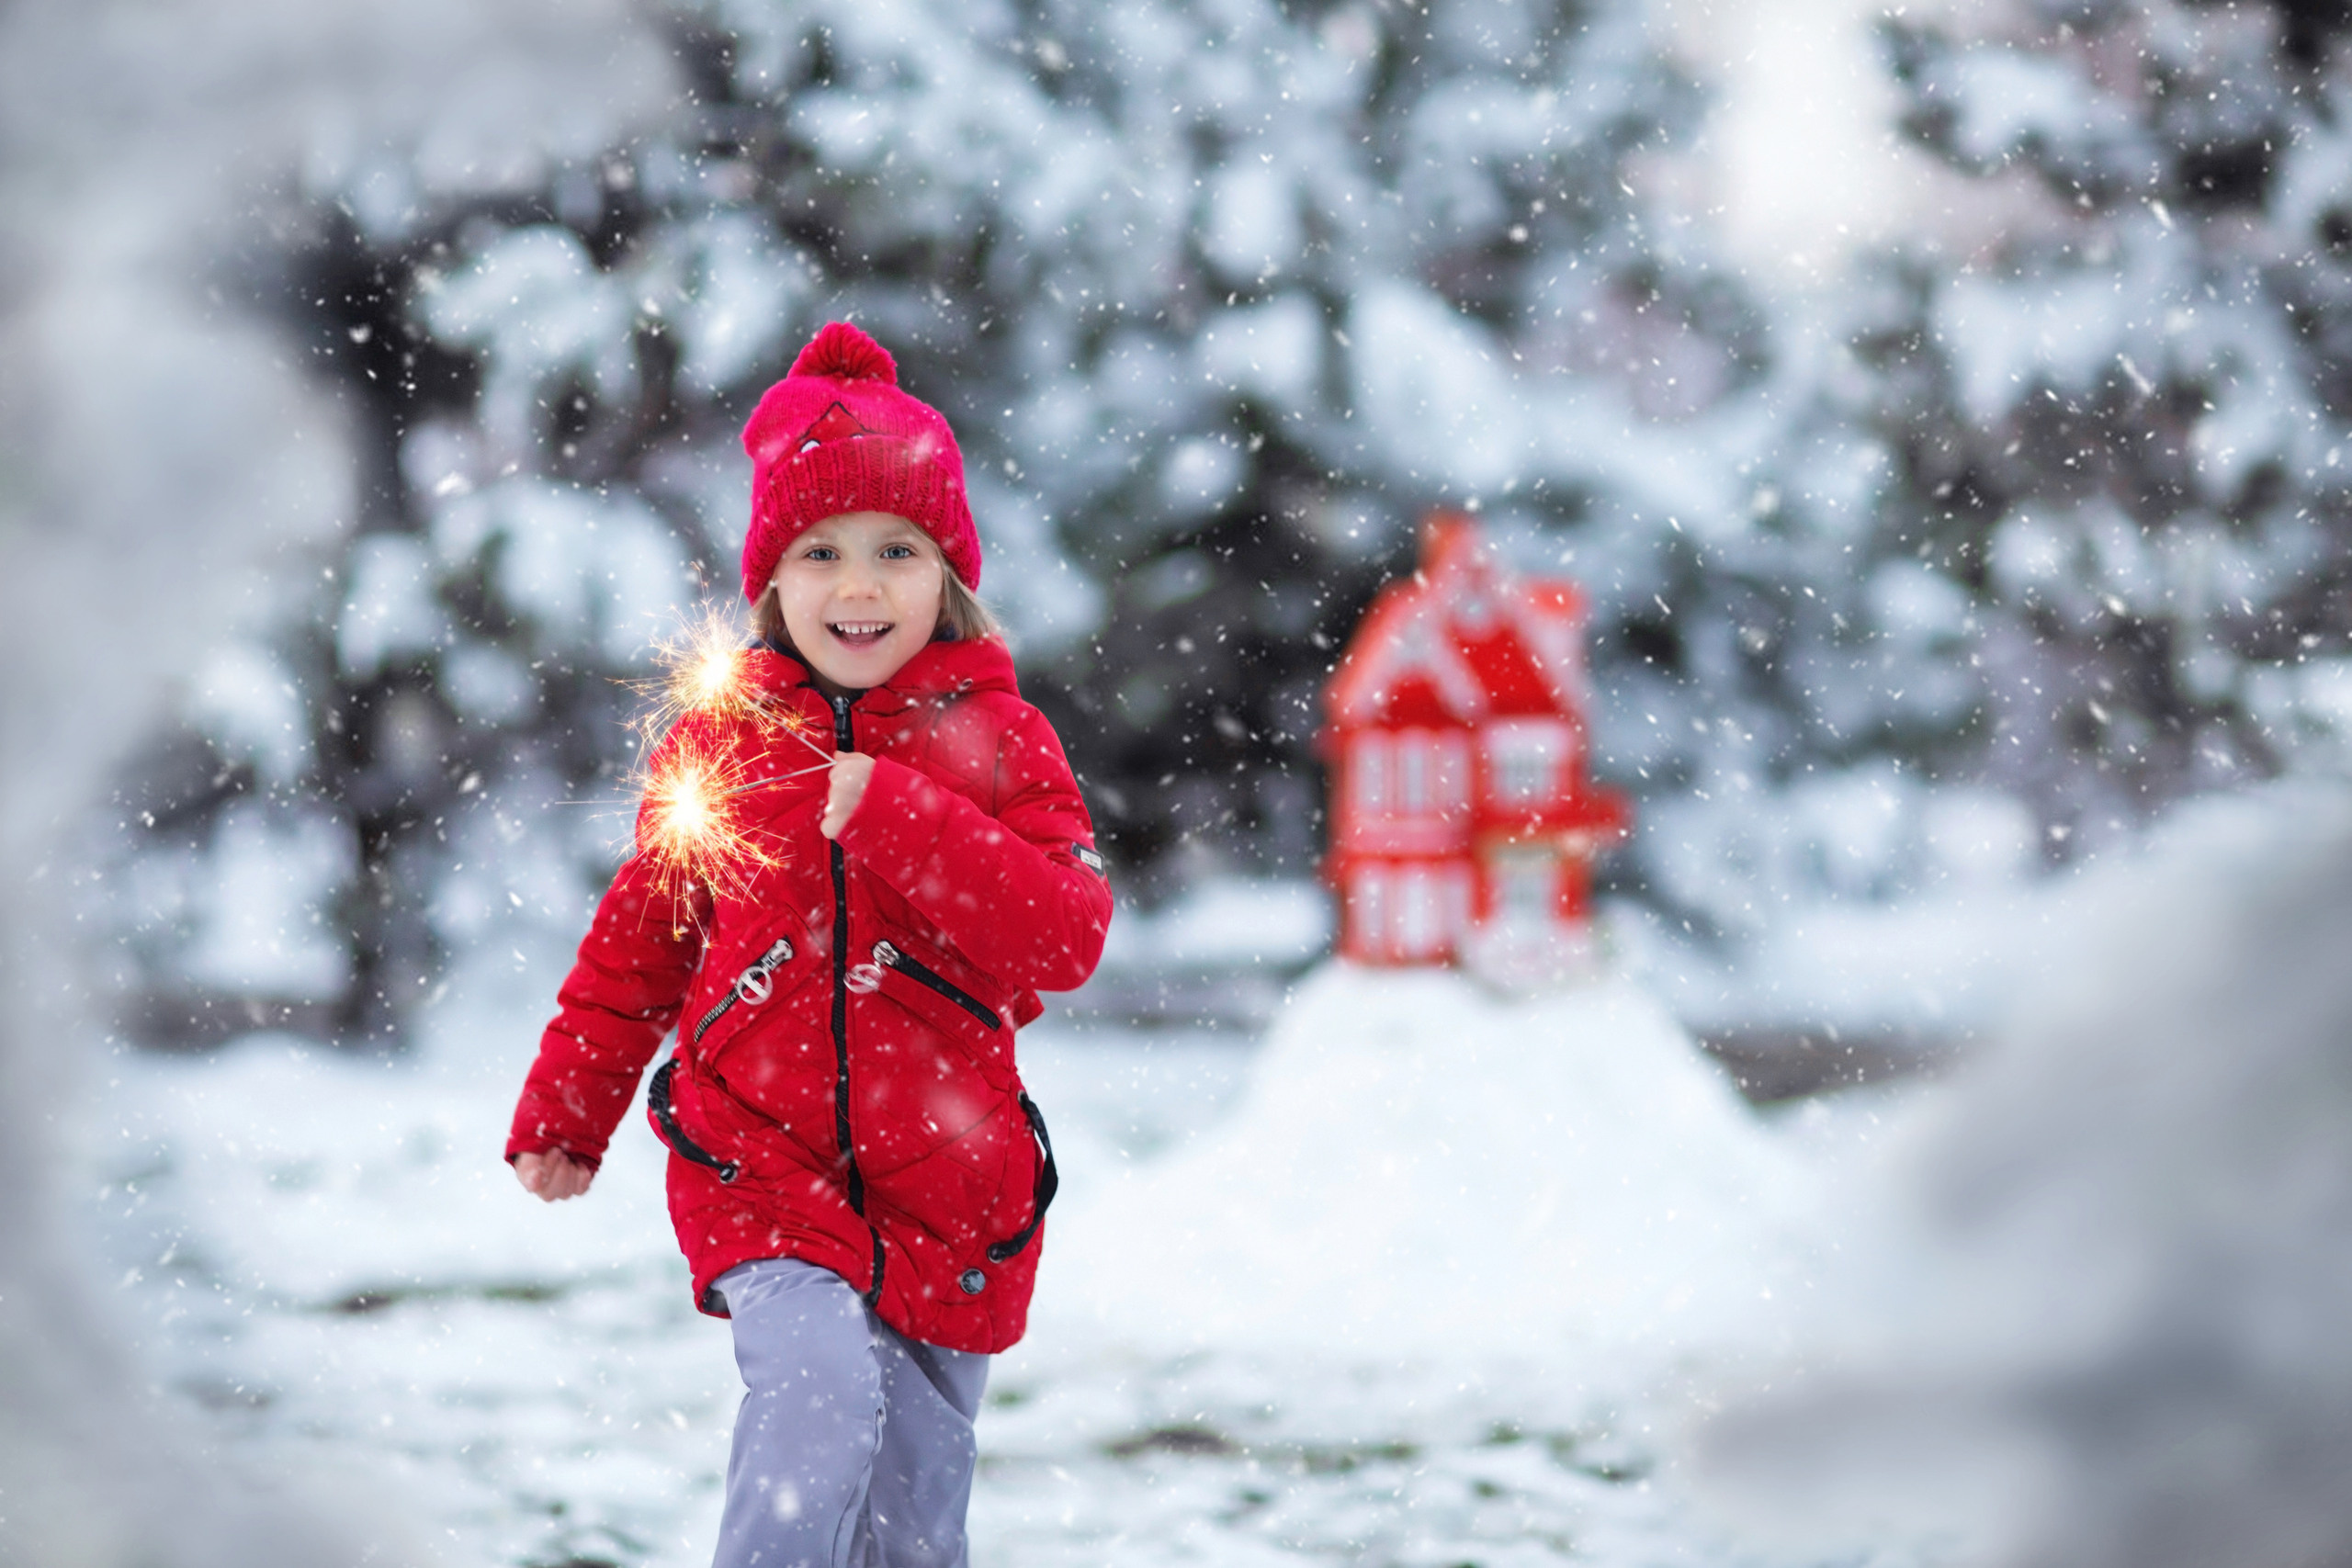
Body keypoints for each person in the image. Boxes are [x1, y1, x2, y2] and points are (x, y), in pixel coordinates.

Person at [504, 320, 1112, 1568]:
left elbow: (1066, 937)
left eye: (897, 550)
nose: (858, 585)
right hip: (759, 1162)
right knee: (817, 1396)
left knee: (912, 1513)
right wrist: (571, 1106)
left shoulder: (1005, 744)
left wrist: (903, 817)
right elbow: (641, 943)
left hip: (952, 1185)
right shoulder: (720, 752)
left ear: (947, 573)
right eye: (820, 551)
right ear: (771, 581)